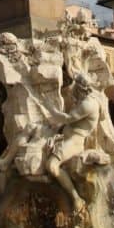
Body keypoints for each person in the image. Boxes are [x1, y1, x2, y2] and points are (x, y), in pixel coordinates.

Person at [45, 73, 101, 212]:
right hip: (64, 137)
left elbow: (68, 119)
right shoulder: (85, 100)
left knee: (51, 166)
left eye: (75, 84)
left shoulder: (88, 104)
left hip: (74, 142)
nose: (72, 87)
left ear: (80, 87)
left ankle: (76, 198)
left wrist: (50, 108)